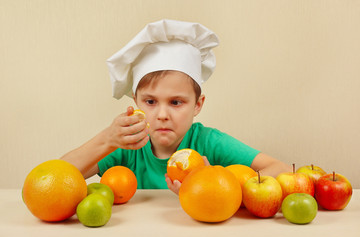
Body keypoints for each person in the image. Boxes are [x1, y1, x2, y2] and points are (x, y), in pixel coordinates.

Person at [61, 19, 291, 194]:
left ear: (197, 105)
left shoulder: (209, 143)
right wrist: (107, 139)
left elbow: (279, 168)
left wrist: (214, 182)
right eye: (150, 102)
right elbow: (57, 178)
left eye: (176, 102)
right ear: (136, 103)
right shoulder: (126, 146)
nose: (162, 115)